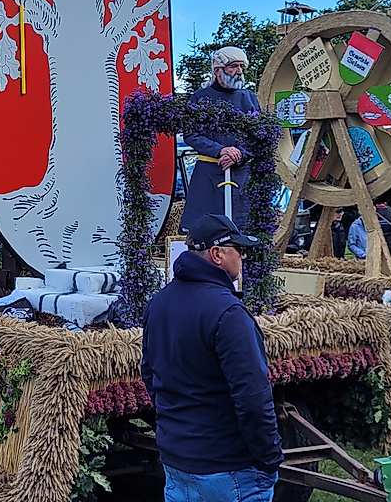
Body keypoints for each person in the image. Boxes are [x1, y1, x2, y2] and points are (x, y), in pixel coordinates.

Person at [141, 214, 282, 502]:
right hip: (229, 467)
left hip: (178, 460)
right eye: (238, 249)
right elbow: (253, 397)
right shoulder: (228, 313)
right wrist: (269, 457)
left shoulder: (160, 302)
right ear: (217, 254)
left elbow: (149, 373)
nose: (243, 256)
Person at [180, 47, 261, 234]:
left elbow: (258, 135)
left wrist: (239, 154)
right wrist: (220, 150)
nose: (239, 71)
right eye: (233, 66)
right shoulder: (200, 98)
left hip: (241, 174)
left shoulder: (249, 98)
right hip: (208, 173)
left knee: (242, 229)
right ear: (217, 70)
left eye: (241, 66)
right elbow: (191, 134)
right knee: (203, 229)